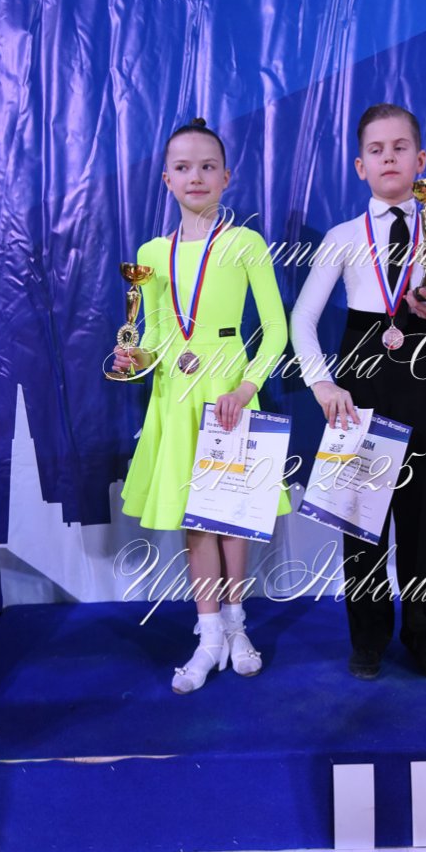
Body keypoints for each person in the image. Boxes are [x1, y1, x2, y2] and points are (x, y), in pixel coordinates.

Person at [290, 103, 426, 679]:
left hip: (419, 373)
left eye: (400, 148)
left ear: (421, 161)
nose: (388, 158)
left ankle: (422, 633)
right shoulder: (344, 237)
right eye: (376, 150)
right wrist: (322, 382)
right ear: (360, 166)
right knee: (360, 514)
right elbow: (303, 318)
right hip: (360, 377)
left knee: (420, 513)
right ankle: (367, 636)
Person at [113, 118, 289, 693]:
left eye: (208, 166)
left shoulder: (245, 244)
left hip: (229, 392)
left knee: (231, 517)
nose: (196, 176)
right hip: (176, 396)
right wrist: (134, 358)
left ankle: (237, 627)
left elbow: (276, 329)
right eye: (183, 167)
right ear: (166, 178)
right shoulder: (150, 254)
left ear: (226, 177)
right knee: (196, 522)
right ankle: (208, 635)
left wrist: (246, 387)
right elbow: (154, 334)